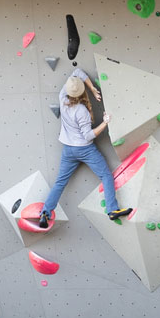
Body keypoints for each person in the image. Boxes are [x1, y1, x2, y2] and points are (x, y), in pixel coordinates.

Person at [39, 70, 131, 227]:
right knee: (106, 176)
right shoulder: (81, 111)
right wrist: (105, 122)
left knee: (60, 182)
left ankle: (45, 213)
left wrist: (92, 89)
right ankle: (112, 210)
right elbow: (88, 136)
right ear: (82, 92)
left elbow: (76, 72)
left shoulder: (62, 97)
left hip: (68, 149)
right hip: (85, 150)